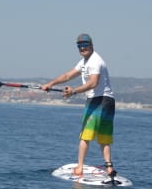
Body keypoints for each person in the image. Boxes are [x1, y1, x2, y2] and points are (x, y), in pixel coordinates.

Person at [41, 33, 117, 179]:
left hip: (98, 101)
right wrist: (50, 84)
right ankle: (109, 168)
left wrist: (74, 91)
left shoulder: (95, 61)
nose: (82, 48)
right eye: (79, 46)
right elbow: (68, 75)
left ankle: (79, 167)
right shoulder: (84, 62)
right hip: (109, 101)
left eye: (85, 45)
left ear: (91, 46)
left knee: (85, 136)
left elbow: (93, 83)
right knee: (104, 137)